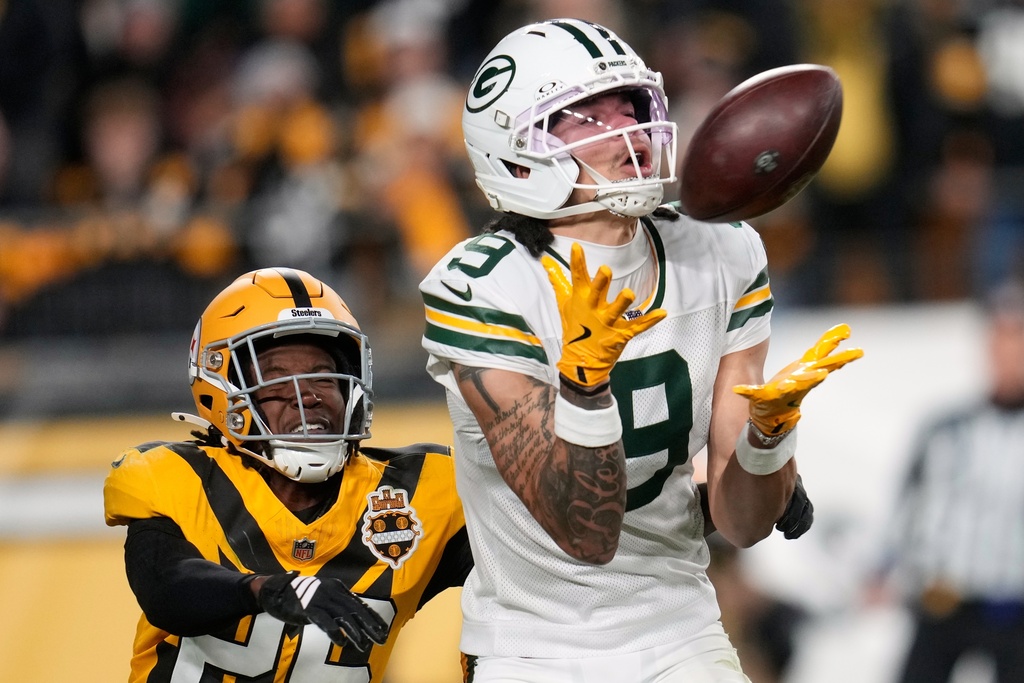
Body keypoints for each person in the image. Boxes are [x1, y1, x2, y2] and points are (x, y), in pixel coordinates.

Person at [418, 18, 862, 682]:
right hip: (532, 647)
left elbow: (741, 525)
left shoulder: (722, 250)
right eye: (586, 116)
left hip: (679, 627)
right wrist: (585, 386)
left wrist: (767, 440)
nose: (627, 129)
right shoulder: (487, 283)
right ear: (515, 154)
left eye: (629, 104)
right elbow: (585, 535)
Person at [103, 267, 472, 682]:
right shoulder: (177, 477)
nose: (308, 395)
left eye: (322, 374)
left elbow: (529, 572)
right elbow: (167, 590)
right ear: (220, 386)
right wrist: (265, 590)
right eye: (276, 378)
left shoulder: (418, 491)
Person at [878, 279, 1024, 683]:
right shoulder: (947, 428)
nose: (1008, 355)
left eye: (1017, 343)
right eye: (1000, 342)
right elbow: (908, 501)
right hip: (948, 599)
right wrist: (883, 566)